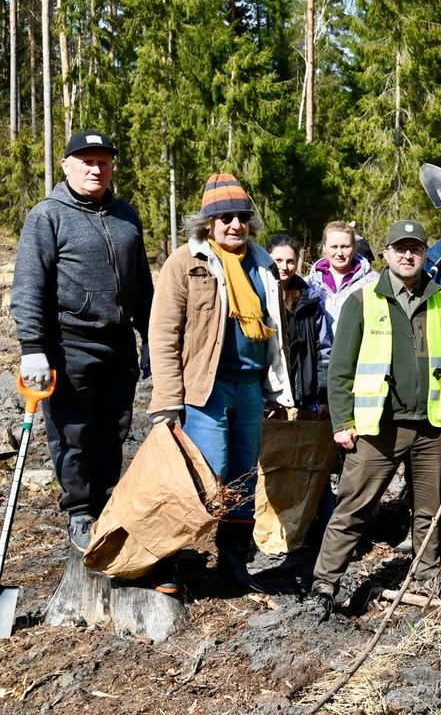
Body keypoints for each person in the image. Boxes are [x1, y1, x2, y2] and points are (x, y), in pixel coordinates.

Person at [149, 173, 293, 589]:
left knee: (243, 478)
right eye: (224, 217)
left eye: (242, 217)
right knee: (203, 477)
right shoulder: (185, 263)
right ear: (207, 223)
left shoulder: (262, 264)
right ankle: (179, 563)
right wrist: (167, 401)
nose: (234, 225)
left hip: (249, 388)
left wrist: (275, 391)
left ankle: (233, 565)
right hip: (203, 391)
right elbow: (163, 335)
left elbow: (274, 334)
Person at [12, 130, 153, 551]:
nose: (96, 168)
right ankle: (79, 511)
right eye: (87, 161)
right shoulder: (47, 215)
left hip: (118, 343)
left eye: (104, 161)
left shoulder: (127, 215)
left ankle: (109, 504)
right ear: (67, 165)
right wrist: (33, 348)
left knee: (116, 429)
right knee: (73, 431)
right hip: (67, 344)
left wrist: (152, 338)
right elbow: (29, 286)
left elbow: (143, 286)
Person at [309, 221, 441, 614]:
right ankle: (324, 585)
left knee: (429, 510)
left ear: (425, 254)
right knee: (353, 508)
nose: (407, 256)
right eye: (399, 248)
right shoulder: (364, 300)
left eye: (415, 249)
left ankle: (426, 577)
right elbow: (339, 369)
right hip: (379, 428)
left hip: (430, 428)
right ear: (386, 254)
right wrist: (342, 422)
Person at [267, 234, 328, 415]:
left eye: (290, 261)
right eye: (278, 260)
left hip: (302, 395)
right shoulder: (256, 296)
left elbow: (322, 349)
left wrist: (322, 394)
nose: (284, 267)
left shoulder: (309, 300)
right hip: (267, 394)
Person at [308, 220, 378, 338]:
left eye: (345, 246)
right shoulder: (310, 284)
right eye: (334, 247)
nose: (339, 253)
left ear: (354, 247)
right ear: (324, 247)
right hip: (319, 354)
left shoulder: (372, 283)